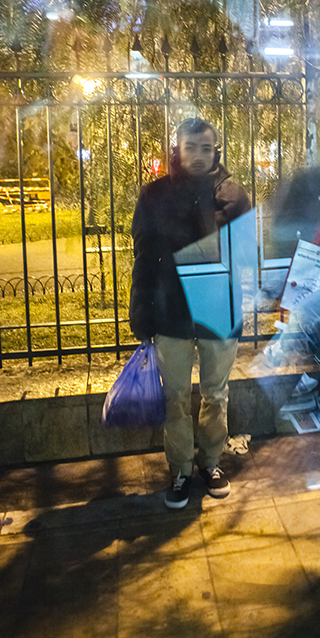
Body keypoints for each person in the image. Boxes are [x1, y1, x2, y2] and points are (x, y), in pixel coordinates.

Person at [129, 117, 251, 509]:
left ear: (216, 150)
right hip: (171, 311)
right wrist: (140, 312)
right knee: (177, 398)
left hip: (218, 310)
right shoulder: (154, 196)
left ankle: (211, 463)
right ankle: (180, 470)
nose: (198, 155)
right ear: (176, 149)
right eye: (190, 147)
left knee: (216, 394)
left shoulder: (233, 194)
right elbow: (144, 256)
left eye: (206, 148)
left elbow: (246, 256)